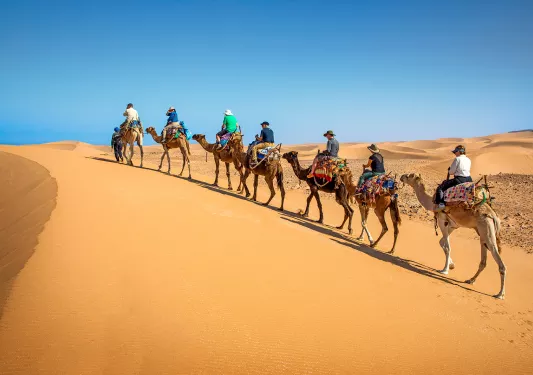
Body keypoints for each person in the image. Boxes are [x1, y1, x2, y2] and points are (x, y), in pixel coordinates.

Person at [435, 145, 473, 211]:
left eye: (455, 152)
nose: (455, 153)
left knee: (440, 187)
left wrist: (449, 170)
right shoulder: (468, 159)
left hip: (459, 179)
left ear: (459, 152)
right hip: (469, 179)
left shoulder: (457, 159)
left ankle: (441, 204)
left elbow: (451, 172)